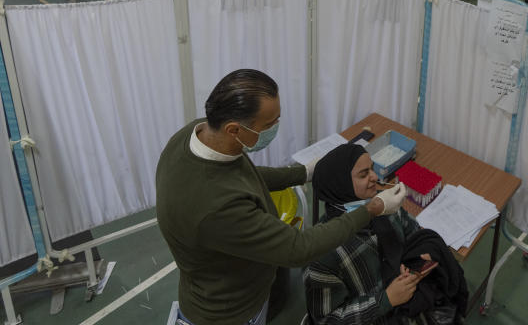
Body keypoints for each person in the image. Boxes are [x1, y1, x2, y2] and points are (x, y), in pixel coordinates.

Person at [156, 69, 407, 325]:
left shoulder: (199, 134)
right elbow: (299, 249)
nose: (275, 128)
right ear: (234, 129)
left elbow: (241, 173)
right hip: (231, 312)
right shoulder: (217, 207)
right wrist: (373, 208)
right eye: (268, 125)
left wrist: (302, 173)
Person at [303, 144, 467, 325]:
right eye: (363, 174)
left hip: (405, 303)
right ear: (340, 184)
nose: (375, 177)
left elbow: (413, 234)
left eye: (372, 169)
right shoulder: (320, 254)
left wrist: (416, 264)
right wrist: (386, 300)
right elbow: (327, 320)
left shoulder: (386, 205)